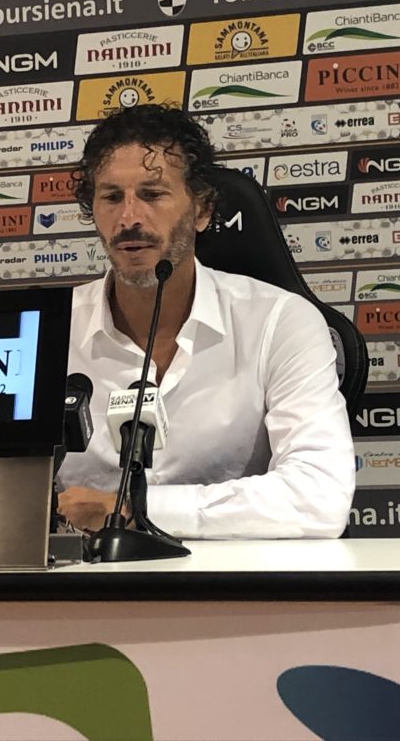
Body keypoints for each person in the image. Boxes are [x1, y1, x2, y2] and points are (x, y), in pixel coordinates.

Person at [54, 104, 355, 539]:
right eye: (112, 197)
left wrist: (132, 509)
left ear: (202, 210)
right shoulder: (49, 330)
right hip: (81, 577)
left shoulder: (280, 322)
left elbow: (319, 497)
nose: (129, 218)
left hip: (234, 577)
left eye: (152, 194)